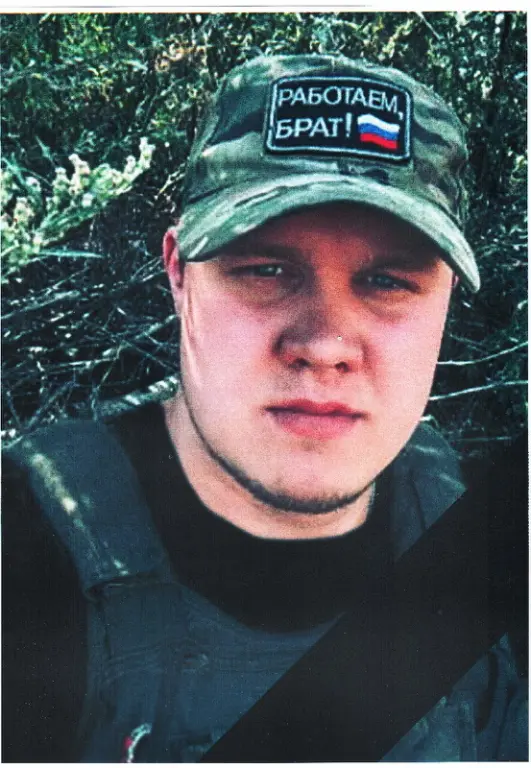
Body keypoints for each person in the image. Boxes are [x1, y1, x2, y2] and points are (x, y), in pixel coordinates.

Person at [2, 53, 527, 762]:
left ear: (444, 303)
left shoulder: (484, 546)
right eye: (266, 271)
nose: (325, 346)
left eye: (387, 282)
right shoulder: (27, 558)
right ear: (179, 274)